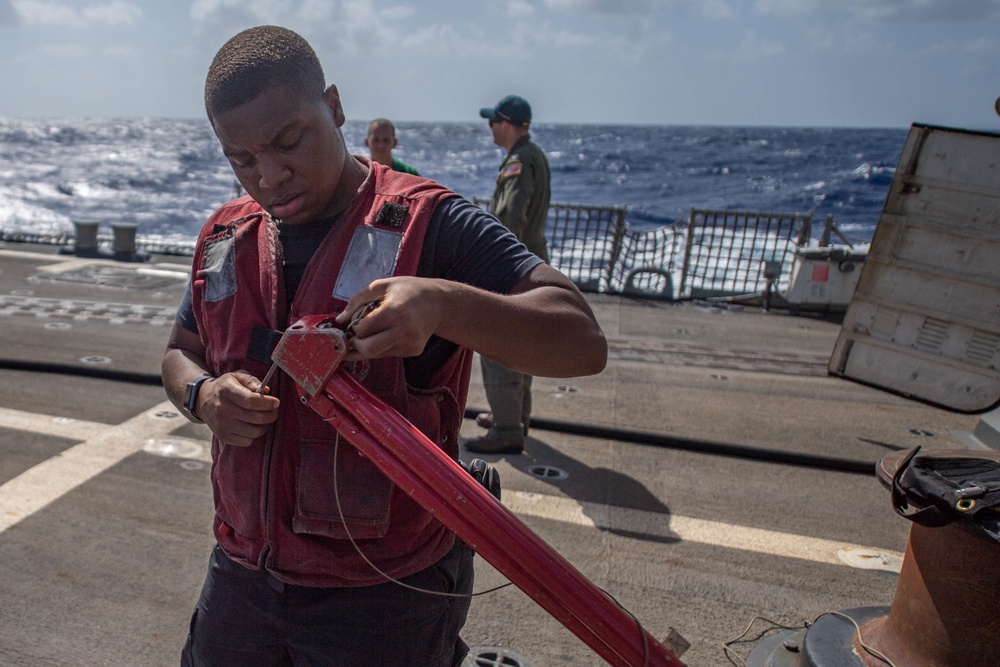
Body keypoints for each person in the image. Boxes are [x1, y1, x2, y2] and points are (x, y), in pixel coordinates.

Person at [160, 25, 606, 667]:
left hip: (384, 594)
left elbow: (580, 338)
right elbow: (180, 351)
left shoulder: (433, 222)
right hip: (241, 576)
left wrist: (443, 304)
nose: (270, 174)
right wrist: (203, 396)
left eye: (290, 141)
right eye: (242, 159)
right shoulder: (224, 238)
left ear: (335, 107)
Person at [466, 94, 551, 455]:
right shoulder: (534, 156)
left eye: (492, 122)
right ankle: (517, 416)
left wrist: (494, 262)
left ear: (505, 124)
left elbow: (511, 218)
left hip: (510, 267)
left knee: (496, 343)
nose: (489, 129)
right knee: (526, 343)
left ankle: (506, 428)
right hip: (531, 262)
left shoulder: (518, 162)